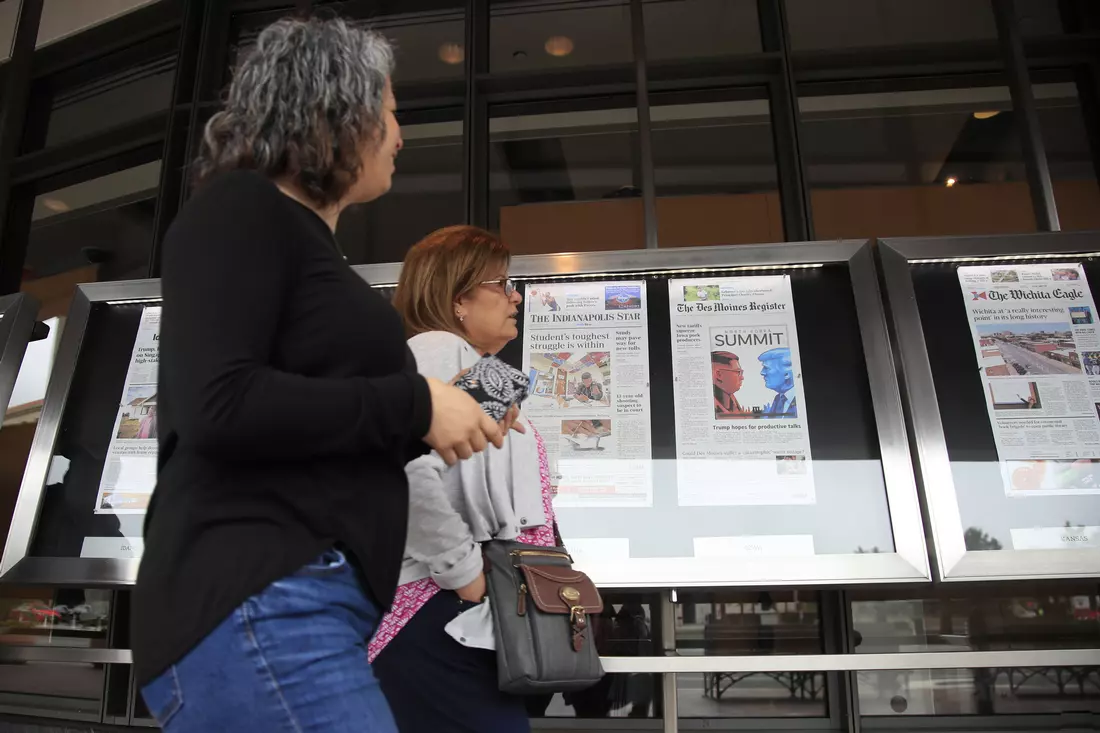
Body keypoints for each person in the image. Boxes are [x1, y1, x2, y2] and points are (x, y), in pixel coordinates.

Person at [132, 19, 505, 733]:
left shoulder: (301, 242)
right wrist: (412, 402)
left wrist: (436, 421)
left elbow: (306, 414)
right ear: (342, 113)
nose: (401, 133)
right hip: (263, 599)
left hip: (299, 608)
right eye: (392, 111)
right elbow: (222, 403)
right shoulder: (240, 210)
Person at [375, 225, 555, 733]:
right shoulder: (438, 350)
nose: (515, 296)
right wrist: (465, 576)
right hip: (439, 612)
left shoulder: (481, 367)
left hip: (462, 617)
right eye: (502, 284)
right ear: (458, 300)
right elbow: (405, 472)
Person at [759, 347, 797, 417]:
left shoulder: (800, 400)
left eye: (766, 368)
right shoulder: (778, 399)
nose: (762, 372)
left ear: (786, 374)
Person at [712, 351, 748, 418]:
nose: (742, 377)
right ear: (719, 374)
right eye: (738, 372)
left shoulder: (730, 399)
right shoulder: (712, 406)